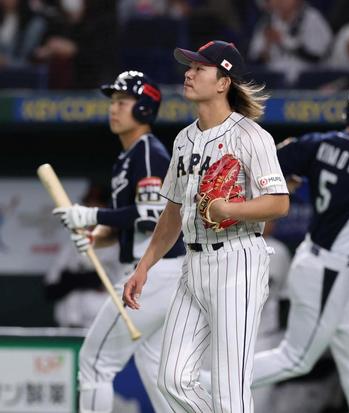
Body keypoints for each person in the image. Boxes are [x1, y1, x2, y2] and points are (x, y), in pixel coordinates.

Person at [123, 40, 290, 412]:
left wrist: (229, 206)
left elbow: (279, 203)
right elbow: (171, 213)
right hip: (193, 264)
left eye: (200, 68)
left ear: (222, 82)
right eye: (189, 66)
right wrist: (145, 265)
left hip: (238, 260)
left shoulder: (251, 136)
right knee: (172, 379)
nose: (189, 72)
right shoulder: (184, 139)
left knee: (230, 390)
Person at [251, 82, 349, 413]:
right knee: (295, 359)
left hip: (331, 265)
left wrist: (287, 181)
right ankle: (202, 383)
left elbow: (273, 160)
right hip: (328, 268)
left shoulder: (319, 142)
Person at [53, 70, 185, 413]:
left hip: (154, 272)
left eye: (123, 102)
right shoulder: (128, 158)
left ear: (143, 108)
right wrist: (95, 236)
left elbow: (151, 215)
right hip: (154, 272)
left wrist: (92, 216)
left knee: (95, 363)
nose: (114, 109)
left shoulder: (148, 153)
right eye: (113, 102)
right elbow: (124, 223)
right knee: (160, 378)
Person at [44, 183, 123, 328]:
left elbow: (115, 287)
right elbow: (51, 289)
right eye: (88, 205)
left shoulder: (118, 247)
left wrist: (74, 279)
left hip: (102, 326)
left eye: (97, 207)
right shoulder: (71, 245)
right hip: (68, 324)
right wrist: (84, 280)